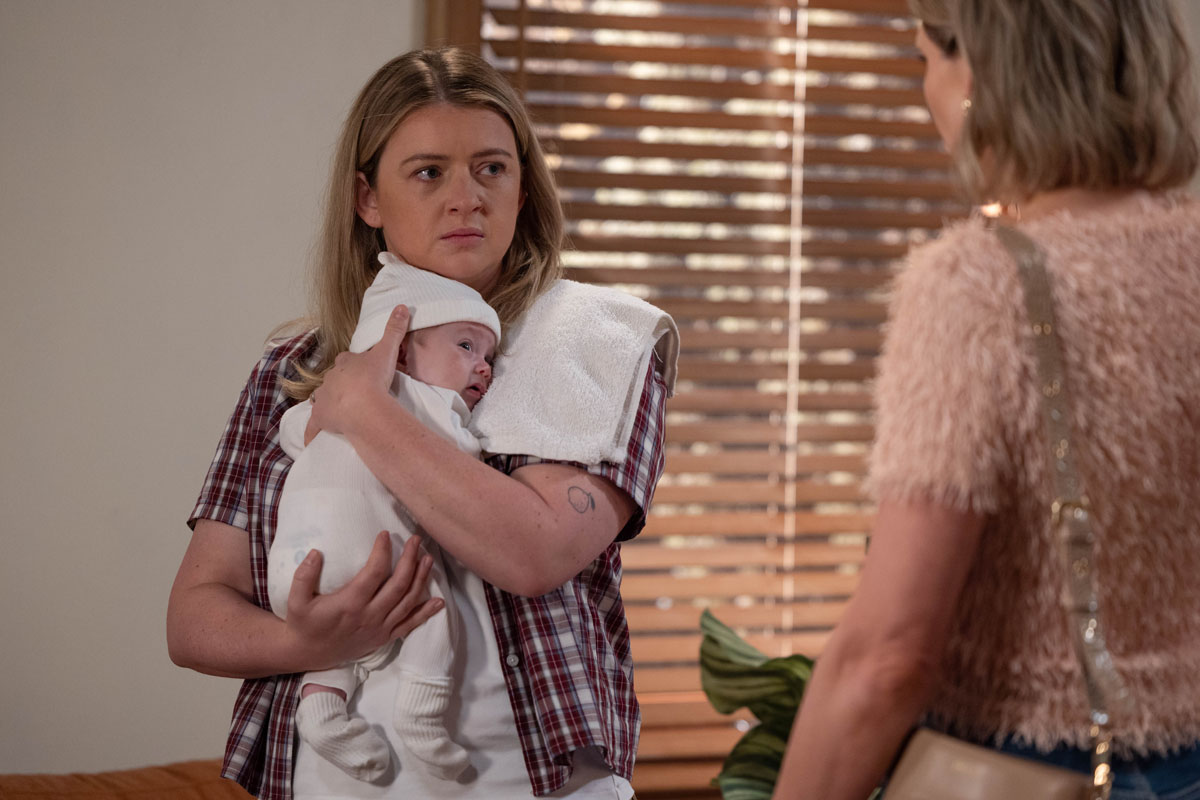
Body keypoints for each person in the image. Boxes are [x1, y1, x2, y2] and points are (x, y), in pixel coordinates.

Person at [167, 47, 679, 800]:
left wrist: (364, 410)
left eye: (492, 168)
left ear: (523, 189)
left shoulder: (598, 342)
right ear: (368, 198)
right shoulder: (296, 367)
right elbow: (193, 618)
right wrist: (304, 641)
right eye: (429, 172)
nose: (466, 198)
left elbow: (533, 553)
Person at [770, 1, 1200, 798]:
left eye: (925, 59)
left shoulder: (979, 284)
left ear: (980, 72)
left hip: (1036, 769)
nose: (925, 90)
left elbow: (891, 656)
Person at [267, 256, 501, 784]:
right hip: (369, 561)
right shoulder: (426, 403)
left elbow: (293, 433)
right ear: (398, 352)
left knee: (334, 646)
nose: (485, 367)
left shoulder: (324, 405)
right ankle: (421, 714)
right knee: (431, 605)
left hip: (291, 575)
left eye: (489, 355)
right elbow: (462, 475)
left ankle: (321, 711)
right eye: (467, 346)